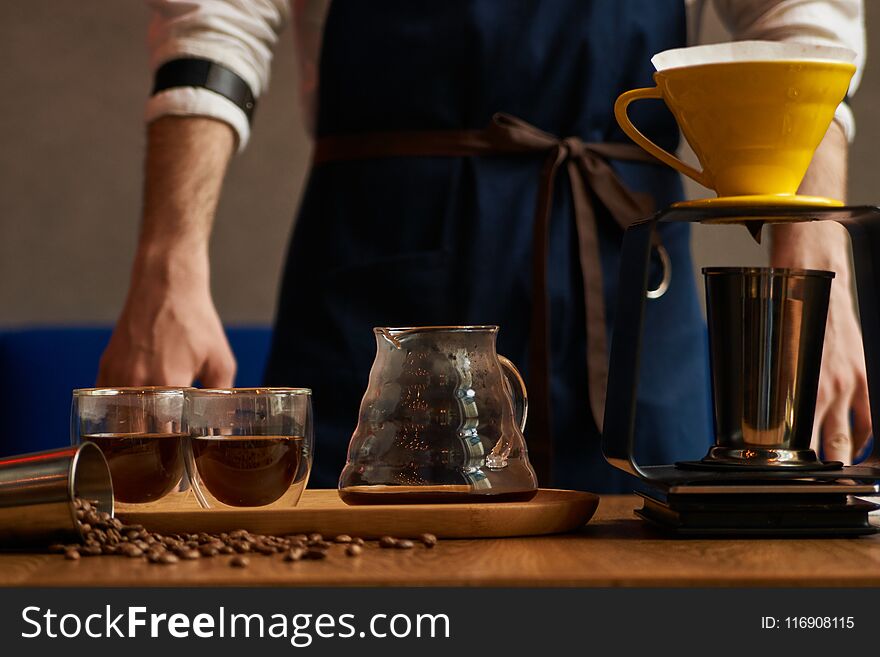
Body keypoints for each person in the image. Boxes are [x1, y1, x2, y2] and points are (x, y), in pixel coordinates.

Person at [99, 0, 870, 492]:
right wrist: (169, 260)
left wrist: (815, 246)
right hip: (381, 276)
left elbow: (801, 19)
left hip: (629, 292)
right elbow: (217, 16)